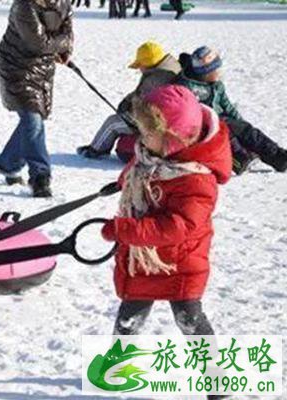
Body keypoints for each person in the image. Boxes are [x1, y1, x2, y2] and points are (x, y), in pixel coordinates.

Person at [101, 85, 232, 363]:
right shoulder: (152, 157)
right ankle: (115, 368)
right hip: (144, 260)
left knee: (189, 319)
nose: (141, 139)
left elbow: (178, 226)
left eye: (148, 134)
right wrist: (125, 182)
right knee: (128, 319)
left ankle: (214, 373)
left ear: (174, 139)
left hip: (181, 263)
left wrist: (124, 230)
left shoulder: (196, 180)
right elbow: (136, 169)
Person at [0, 0, 74, 197]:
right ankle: (40, 176)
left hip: (43, 69)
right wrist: (60, 42)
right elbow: (39, 43)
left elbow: (68, 35)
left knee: (32, 121)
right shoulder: (24, 5)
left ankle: (8, 164)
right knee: (33, 119)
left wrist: (65, 49)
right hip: (16, 68)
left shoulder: (63, 4)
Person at [177, 46, 287, 173]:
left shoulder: (216, 84)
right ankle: (240, 160)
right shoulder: (187, 88)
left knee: (248, 132)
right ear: (205, 73)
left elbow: (227, 105)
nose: (218, 73)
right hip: (207, 126)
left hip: (223, 119)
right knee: (228, 136)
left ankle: (279, 157)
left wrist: (241, 122)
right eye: (215, 71)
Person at [77, 41, 181, 161]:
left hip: (157, 122)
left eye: (140, 65)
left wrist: (126, 110)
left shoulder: (155, 79)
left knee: (112, 123)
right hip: (169, 117)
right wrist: (128, 99)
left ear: (147, 64)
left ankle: (95, 150)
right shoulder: (171, 66)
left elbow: (142, 104)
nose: (139, 69)